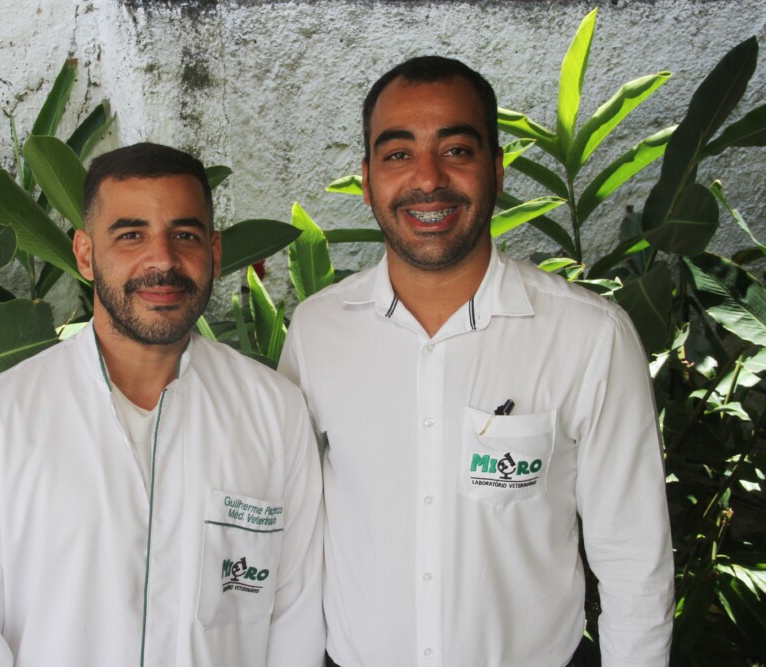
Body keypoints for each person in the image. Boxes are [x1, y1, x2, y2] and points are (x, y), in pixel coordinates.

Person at [278, 57, 673, 666]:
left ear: (497, 168)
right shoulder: (316, 333)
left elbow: (634, 559)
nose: (428, 179)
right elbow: (290, 539)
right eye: (398, 154)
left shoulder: (590, 336)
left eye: (456, 150)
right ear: (368, 179)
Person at [0, 142, 324, 666]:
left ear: (215, 252)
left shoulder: (275, 415)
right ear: (85, 254)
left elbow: (294, 623)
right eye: (131, 235)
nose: (163, 259)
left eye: (185, 235)